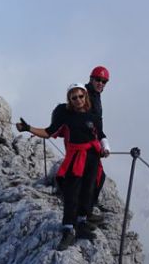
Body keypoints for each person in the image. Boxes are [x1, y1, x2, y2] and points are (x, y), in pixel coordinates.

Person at [15, 83, 105, 250]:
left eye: (81, 96)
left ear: (85, 97)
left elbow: (99, 135)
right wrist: (28, 128)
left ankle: (82, 223)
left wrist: (104, 149)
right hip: (76, 158)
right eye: (74, 97)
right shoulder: (66, 116)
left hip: (92, 156)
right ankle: (68, 229)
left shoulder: (93, 116)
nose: (78, 100)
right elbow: (49, 132)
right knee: (72, 193)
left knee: (88, 190)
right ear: (69, 100)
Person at [85, 66, 111, 218]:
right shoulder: (86, 94)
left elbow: (98, 125)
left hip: (92, 142)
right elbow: (87, 121)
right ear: (91, 79)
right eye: (98, 80)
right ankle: (84, 214)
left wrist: (104, 144)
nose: (101, 83)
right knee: (95, 177)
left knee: (97, 177)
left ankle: (86, 212)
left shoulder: (95, 95)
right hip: (85, 143)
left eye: (104, 81)